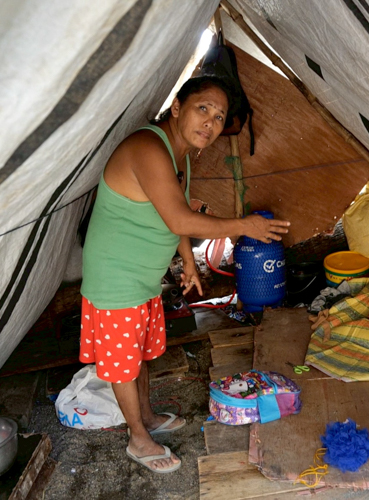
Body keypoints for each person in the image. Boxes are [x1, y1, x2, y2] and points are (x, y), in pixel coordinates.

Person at [80, 76, 289, 473]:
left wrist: (187, 261)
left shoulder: (181, 154)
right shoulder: (147, 148)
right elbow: (180, 217)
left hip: (142, 275)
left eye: (219, 116)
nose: (210, 122)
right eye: (203, 109)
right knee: (124, 363)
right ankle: (138, 440)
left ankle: (148, 418)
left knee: (138, 354)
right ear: (177, 107)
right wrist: (244, 226)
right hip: (116, 276)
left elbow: (176, 212)